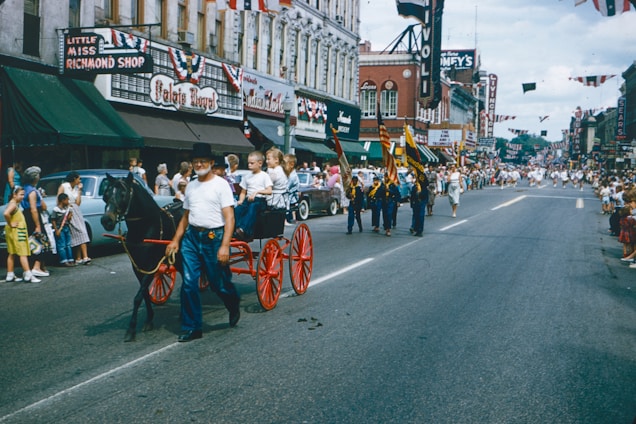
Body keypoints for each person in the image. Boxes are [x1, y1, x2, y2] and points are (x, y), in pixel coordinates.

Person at [165, 143, 241, 342]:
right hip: (191, 238)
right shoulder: (191, 185)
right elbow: (185, 216)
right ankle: (193, 327)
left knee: (219, 285)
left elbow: (230, 218)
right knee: (189, 283)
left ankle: (233, 303)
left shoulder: (221, 185)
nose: (199, 164)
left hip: (213, 238)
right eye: (196, 162)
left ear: (211, 163)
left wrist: (225, 245)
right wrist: (175, 241)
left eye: (203, 161)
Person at [4, 186, 41, 282]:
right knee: (23, 253)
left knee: (12, 253)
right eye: (21, 195)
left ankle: (10, 274)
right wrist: (10, 223)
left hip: (12, 231)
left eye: (24, 195)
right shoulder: (13, 205)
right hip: (17, 231)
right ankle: (28, 274)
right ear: (14, 195)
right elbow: (6, 213)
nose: (23, 197)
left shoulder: (14, 203)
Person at [234, 151, 272, 241]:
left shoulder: (264, 176)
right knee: (238, 209)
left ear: (260, 163)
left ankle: (244, 230)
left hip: (260, 200)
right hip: (248, 199)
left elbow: (269, 191)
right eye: (248, 163)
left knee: (253, 207)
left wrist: (257, 192)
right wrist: (240, 200)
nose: (249, 165)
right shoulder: (247, 176)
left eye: (252, 163)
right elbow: (243, 192)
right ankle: (235, 228)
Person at [20, 166, 49, 277]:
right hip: (33, 217)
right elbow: (34, 209)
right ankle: (36, 266)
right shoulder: (32, 191)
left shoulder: (24, 188)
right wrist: (37, 225)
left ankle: (39, 266)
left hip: (25, 216)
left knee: (31, 241)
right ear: (35, 178)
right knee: (39, 239)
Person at [58, 172, 91, 265]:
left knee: (80, 232)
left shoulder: (76, 188)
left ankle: (79, 257)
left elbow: (78, 202)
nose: (80, 181)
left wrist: (80, 191)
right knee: (78, 232)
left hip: (75, 210)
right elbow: (59, 198)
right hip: (66, 209)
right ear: (74, 179)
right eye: (78, 179)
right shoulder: (64, 186)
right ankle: (84, 256)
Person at [50, 193, 75, 267]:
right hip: (59, 228)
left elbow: (68, 219)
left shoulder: (67, 209)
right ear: (62, 200)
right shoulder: (56, 209)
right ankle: (64, 260)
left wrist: (70, 212)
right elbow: (53, 220)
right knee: (62, 245)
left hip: (66, 227)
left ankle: (70, 259)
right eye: (67, 200)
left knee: (68, 244)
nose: (68, 201)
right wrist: (56, 230)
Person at [283, 153, 299, 225]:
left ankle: (285, 219)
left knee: (285, 203)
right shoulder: (289, 174)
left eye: (284, 163)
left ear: (291, 165)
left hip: (288, 194)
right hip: (290, 195)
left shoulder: (292, 176)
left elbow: (286, 187)